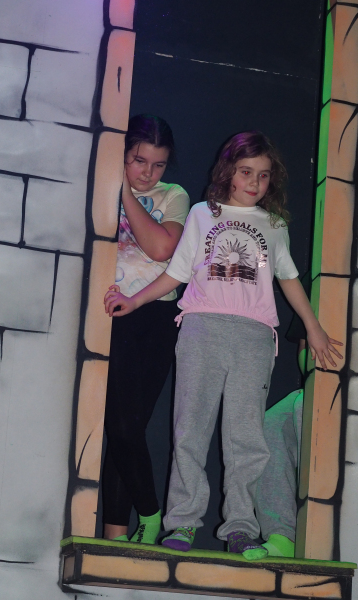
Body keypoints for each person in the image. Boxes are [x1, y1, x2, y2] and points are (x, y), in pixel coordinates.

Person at [104, 131, 343, 560]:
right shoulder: (202, 214)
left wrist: (314, 327)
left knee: (245, 438)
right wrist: (134, 300)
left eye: (264, 175)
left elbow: (289, 278)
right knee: (190, 430)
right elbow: (176, 273)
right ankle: (182, 523)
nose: (254, 182)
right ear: (229, 172)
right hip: (202, 329)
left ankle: (241, 528)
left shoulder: (274, 225)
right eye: (246, 172)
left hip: (254, 336)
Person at [101, 114, 189, 545]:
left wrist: (125, 192)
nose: (147, 173)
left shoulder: (173, 195)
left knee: (128, 427)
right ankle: (127, 530)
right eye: (138, 161)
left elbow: (161, 247)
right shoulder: (99, 185)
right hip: (109, 312)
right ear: (123, 154)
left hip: (155, 317)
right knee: (118, 428)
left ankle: (136, 524)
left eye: (158, 164)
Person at [255, 272, 310, 558]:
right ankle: (282, 535)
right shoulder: (319, 283)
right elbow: (304, 349)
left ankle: (316, 529)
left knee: (302, 411)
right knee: (270, 424)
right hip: (320, 385)